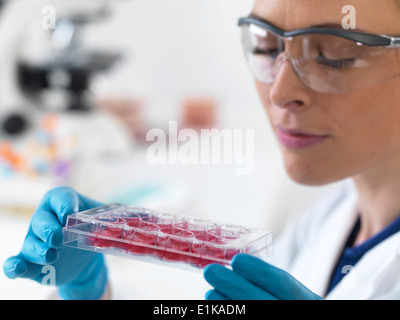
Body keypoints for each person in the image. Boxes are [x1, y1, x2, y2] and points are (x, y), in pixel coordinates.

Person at [4, 0, 400, 299]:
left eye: (334, 56)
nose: (280, 92)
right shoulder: (324, 222)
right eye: (265, 45)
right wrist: (97, 291)